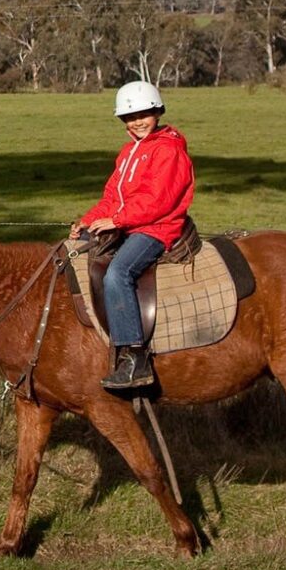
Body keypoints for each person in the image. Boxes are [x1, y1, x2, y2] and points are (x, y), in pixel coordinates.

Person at [72, 79, 194, 393]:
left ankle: (136, 358)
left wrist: (116, 220)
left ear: (157, 111)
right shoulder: (128, 152)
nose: (137, 121)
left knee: (118, 273)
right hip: (128, 224)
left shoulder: (168, 150)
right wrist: (87, 221)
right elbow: (112, 195)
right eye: (129, 117)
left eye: (144, 114)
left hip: (156, 228)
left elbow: (158, 201)